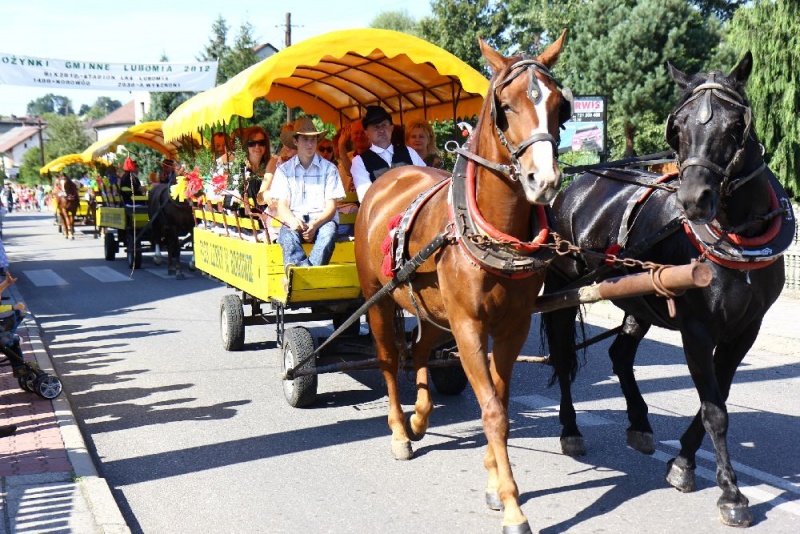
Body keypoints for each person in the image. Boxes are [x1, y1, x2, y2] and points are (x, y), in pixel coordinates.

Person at [269, 116, 345, 271]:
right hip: (295, 220)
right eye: (305, 139)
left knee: (328, 233)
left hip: (322, 221)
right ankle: (307, 274)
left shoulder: (329, 169)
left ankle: (300, 274)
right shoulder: (284, 170)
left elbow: (331, 207)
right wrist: (291, 220)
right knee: (287, 236)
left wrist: (315, 225)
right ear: (295, 141)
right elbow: (282, 205)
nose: (310, 144)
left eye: (313, 140)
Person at [350, 105, 426, 202]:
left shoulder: (408, 152)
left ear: (391, 128)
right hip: (382, 214)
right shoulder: (359, 162)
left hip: (412, 210)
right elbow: (366, 197)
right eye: (376, 127)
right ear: (367, 133)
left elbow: (426, 179)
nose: (381, 130)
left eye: (384, 125)